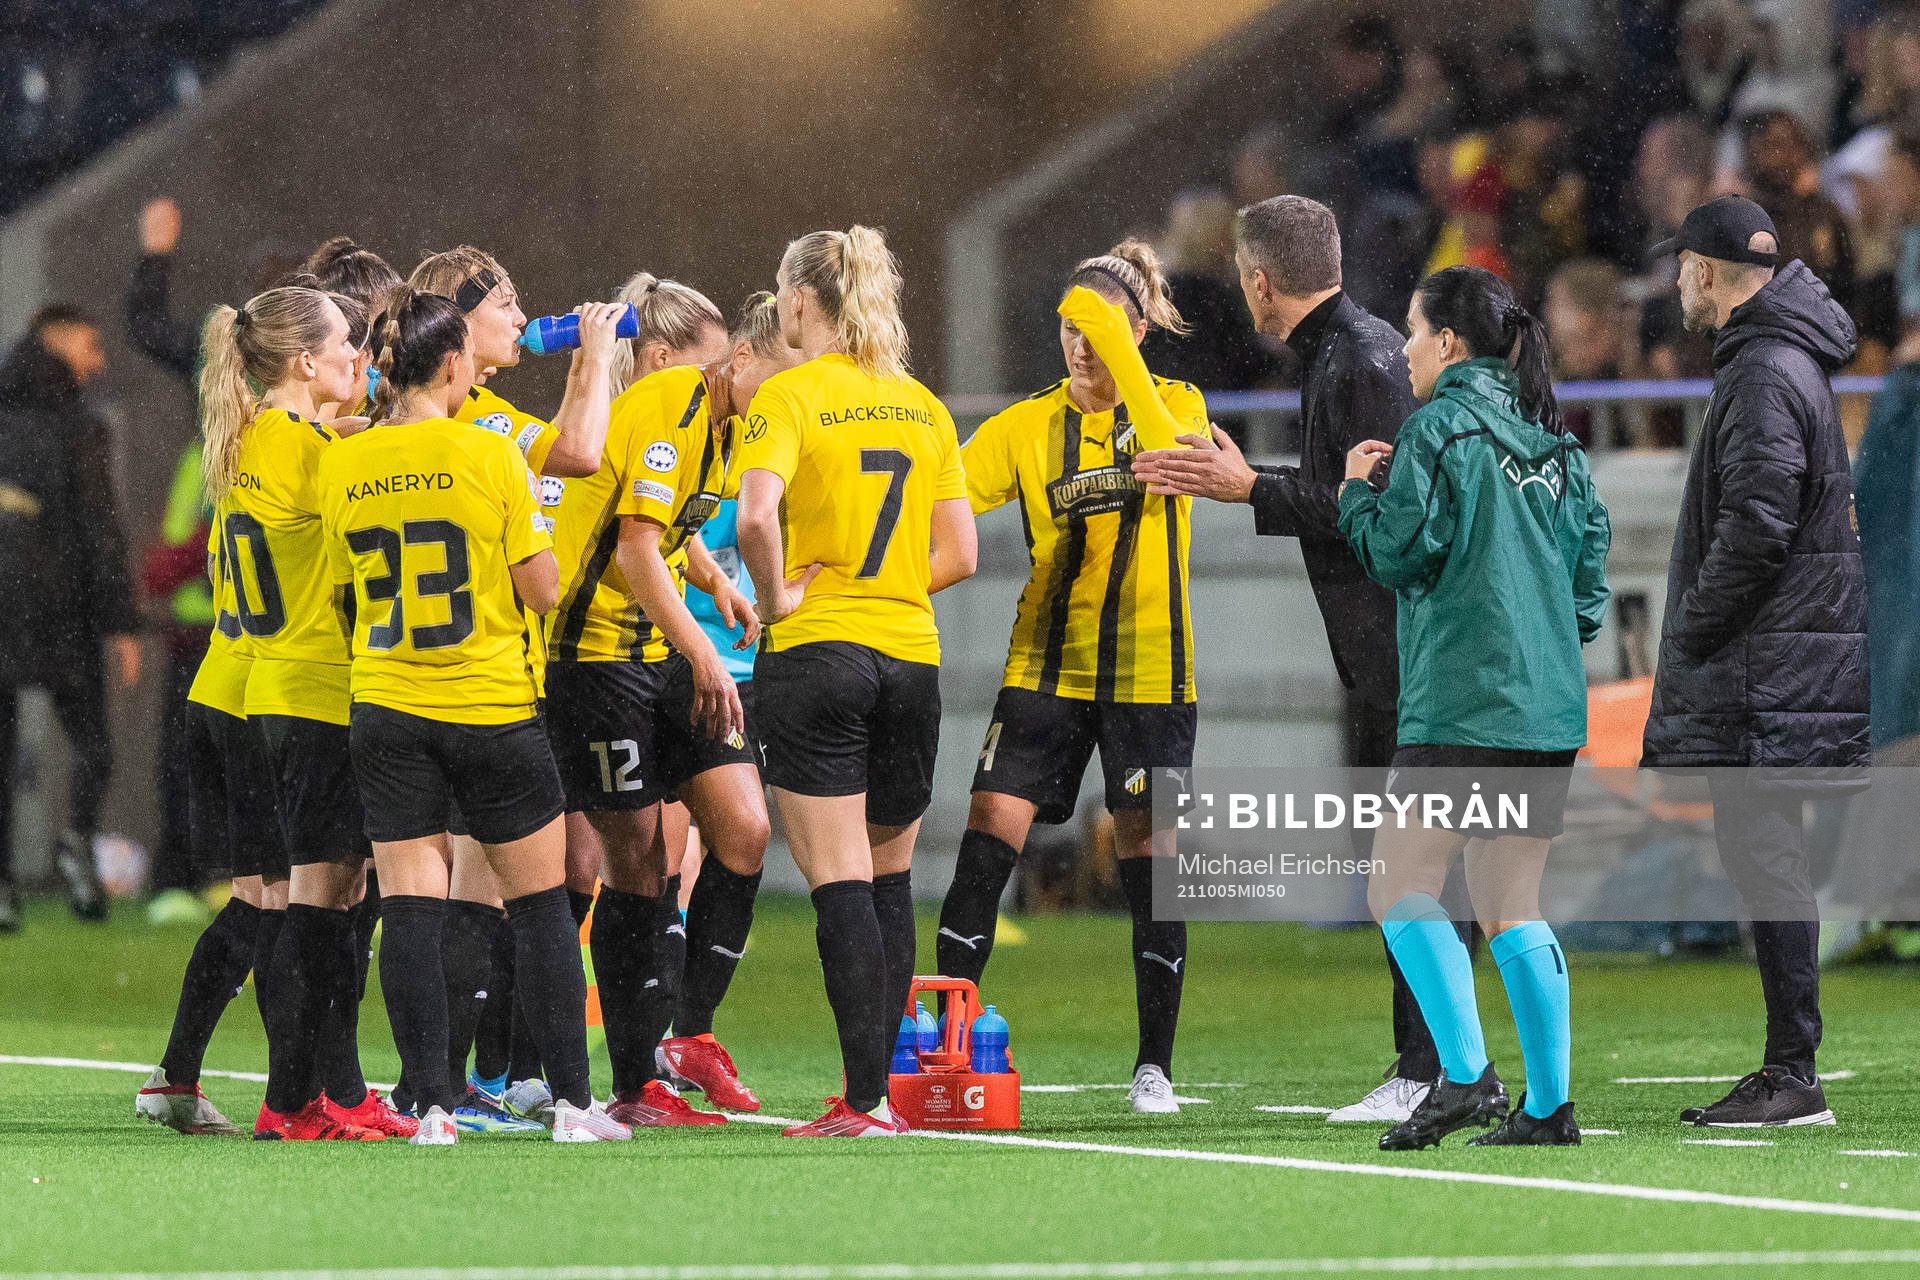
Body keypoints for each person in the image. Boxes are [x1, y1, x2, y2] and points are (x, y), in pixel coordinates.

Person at [1132, 195, 1457, 1127]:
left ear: (1260, 282)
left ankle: (1431, 1067)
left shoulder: (1357, 361)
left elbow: (1382, 512)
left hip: (1407, 650)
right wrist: (1254, 479)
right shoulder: (1351, 352)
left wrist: (1248, 489)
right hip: (1390, 650)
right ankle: (1440, 1063)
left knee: (1416, 869)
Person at [320, 287, 630, 1145]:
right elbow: (543, 588)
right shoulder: (490, 452)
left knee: (412, 912)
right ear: (454, 363)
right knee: (539, 909)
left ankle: (428, 1107)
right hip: (490, 705)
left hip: (388, 707)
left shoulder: (344, 463)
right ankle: (572, 1105)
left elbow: (345, 592)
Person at [1339, 264, 1611, 1151]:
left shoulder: (1438, 429)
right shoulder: (1558, 444)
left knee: (1397, 886)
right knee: (1509, 902)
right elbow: (1586, 590)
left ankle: (1464, 1078)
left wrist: (1355, 496)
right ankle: (1549, 1106)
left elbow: (1398, 551)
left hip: (1463, 704)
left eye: (1415, 332)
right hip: (1545, 710)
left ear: (1450, 343)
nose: (1405, 350)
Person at [934, 239, 1204, 1115]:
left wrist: (1122, 349)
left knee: (1149, 857)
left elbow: (1173, 458)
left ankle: (1154, 1067)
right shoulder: (1025, 426)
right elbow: (942, 492)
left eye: (1099, 328)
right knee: (988, 830)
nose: (1080, 345)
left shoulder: (1177, 404)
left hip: (1151, 672)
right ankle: (948, 1048)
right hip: (1046, 667)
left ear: (1135, 330)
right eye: (1068, 327)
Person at [735, 225, 977, 1138]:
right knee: (890, 875)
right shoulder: (921, 405)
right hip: (910, 659)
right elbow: (961, 552)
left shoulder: (790, 395)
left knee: (838, 881)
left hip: (819, 656)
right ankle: (880, 1097)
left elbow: (756, 518)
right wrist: (886, 590)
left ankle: (864, 1100)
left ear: (800, 300)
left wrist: (778, 599)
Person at [1641, 195, 1868, 1128]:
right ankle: (1789, 1066)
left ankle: (1792, 1072)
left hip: (1764, 669)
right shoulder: (1784, 357)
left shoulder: (1765, 369)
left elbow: (1757, 527)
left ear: (1703, 270)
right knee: (1769, 861)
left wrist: (1693, 628)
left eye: (1680, 266)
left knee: (1767, 862)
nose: (1675, 283)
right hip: (1783, 662)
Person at [543, 277, 778, 1126]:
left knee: (744, 829)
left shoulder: (731, 422)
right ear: (739, 358)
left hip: (657, 648)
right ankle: (633, 1081)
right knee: (637, 862)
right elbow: (635, 551)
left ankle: (690, 1035)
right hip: (595, 658)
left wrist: (715, 582)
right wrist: (706, 653)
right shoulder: (672, 401)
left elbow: (672, 528)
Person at [404, 246, 624, 1122]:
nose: (523, 318)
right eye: (506, 303)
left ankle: (443, 1086)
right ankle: (481, 1087)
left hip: (399, 689)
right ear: (460, 321)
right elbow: (579, 455)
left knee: (452, 893)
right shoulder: (482, 428)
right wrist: (595, 358)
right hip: (483, 683)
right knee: (503, 895)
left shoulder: (416, 421)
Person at [200, 284, 416, 1141]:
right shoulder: (306, 449)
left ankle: (325, 1093)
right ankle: (293, 1100)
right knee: (321, 903)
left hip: (274, 687)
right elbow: (377, 496)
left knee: (324, 896)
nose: (357, 359)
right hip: (315, 688)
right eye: (344, 347)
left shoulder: (259, 433)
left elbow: (335, 443)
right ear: (304, 362)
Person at [0, 305, 140, 930]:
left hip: (6, 604)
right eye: (91, 345)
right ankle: (77, 841)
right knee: (93, 744)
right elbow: (98, 525)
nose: (98, 361)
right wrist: (122, 622)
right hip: (64, 605)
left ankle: (3, 885)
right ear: (56, 342)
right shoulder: (77, 423)